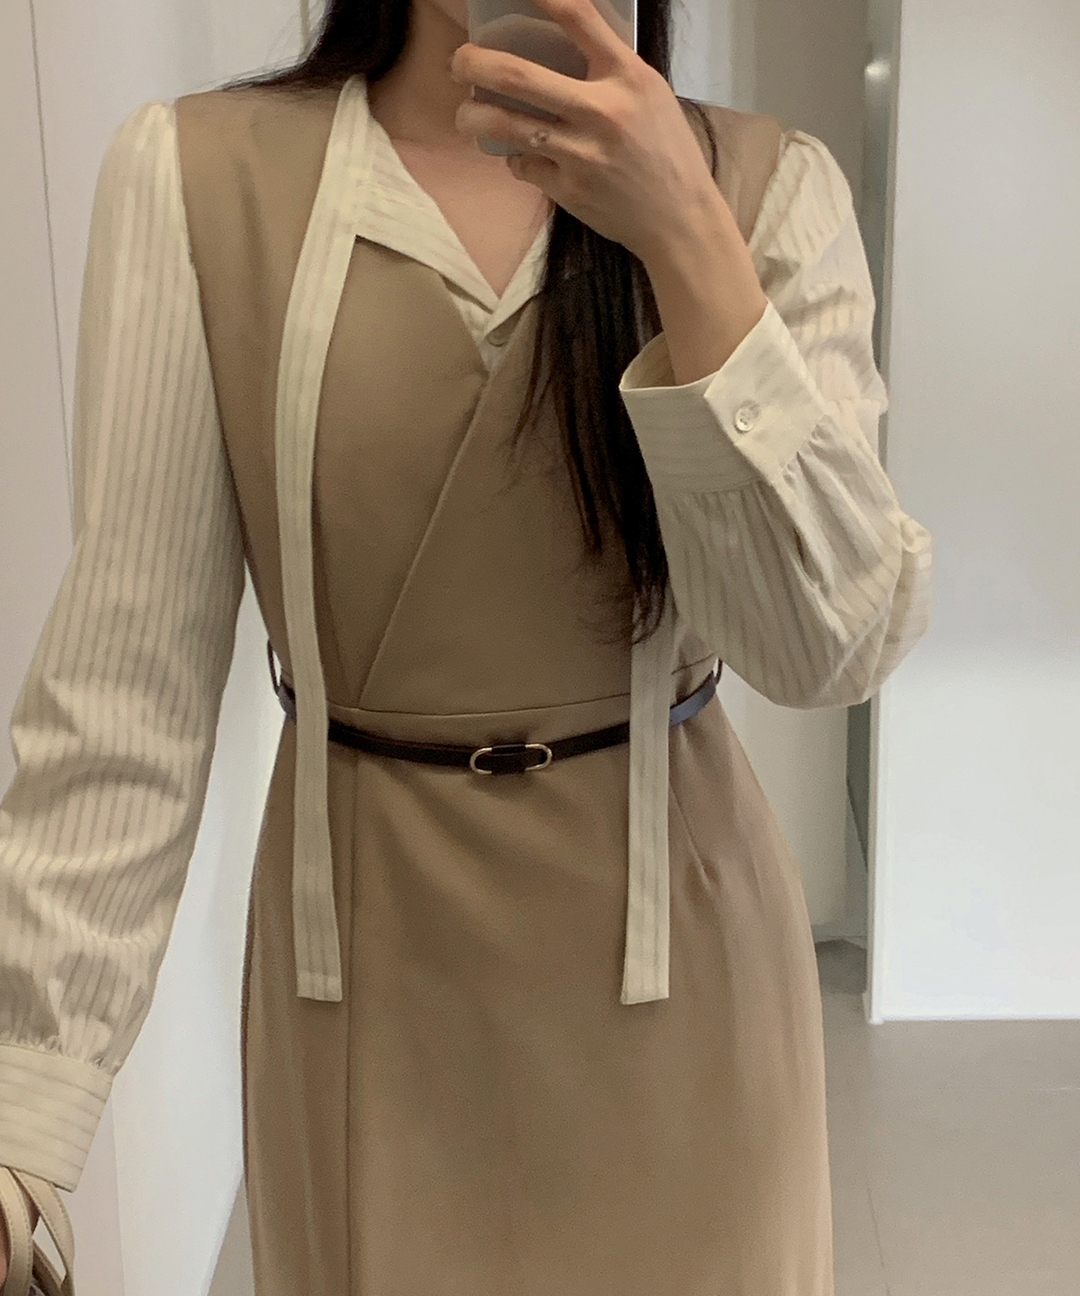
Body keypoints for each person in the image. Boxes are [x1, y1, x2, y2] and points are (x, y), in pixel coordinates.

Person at [0, 0, 933, 1291]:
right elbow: (126, 687)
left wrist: (683, 235)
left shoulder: (766, 190)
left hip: (683, 985)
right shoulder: (201, 183)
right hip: (363, 988)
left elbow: (827, 647)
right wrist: (25, 1112)